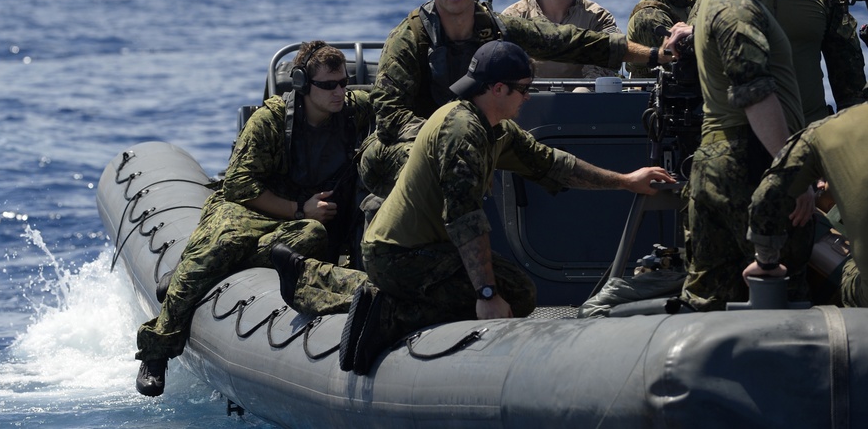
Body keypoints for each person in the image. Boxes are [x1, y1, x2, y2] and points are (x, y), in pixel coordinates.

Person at [272, 40, 676, 375]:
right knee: (513, 291)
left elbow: (552, 163)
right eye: (523, 88)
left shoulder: (494, 126)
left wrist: (625, 181)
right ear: (497, 89)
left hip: (423, 249)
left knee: (516, 288)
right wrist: (485, 293)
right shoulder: (463, 132)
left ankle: (369, 296)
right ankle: (391, 316)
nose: (528, 96)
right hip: (400, 254)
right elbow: (464, 218)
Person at [133, 40, 374, 396]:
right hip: (250, 205)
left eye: (343, 84)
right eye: (329, 85)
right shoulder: (273, 120)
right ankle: (157, 350)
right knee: (221, 244)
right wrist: (297, 209)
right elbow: (239, 185)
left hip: (300, 217)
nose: (339, 92)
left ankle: (209, 269)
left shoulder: (352, 111)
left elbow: (396, 105)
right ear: (303, 85)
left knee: (311, 237)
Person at [359, 0, 671, 201]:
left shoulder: (493, 28)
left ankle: (626, 183)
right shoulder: (410, 37)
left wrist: (655, 55)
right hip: (406, 147)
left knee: (543, 159)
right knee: (453, 163)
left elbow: (569, 41)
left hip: (474, 132)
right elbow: (389, 117)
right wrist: (452, 134)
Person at [677, 0, 816, 312]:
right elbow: (755, 96)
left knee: (710, 296)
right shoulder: (737, 11)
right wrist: (793, 172)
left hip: (717, 161)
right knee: (782, 292)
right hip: (749, 160)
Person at [745, 103, 868, 307]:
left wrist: (766, 262)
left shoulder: (826, 131)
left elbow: (766, 199)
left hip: (865, 299)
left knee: (816, 224)